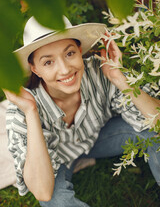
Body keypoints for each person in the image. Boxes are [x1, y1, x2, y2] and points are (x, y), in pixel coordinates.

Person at [4, 16, 160, 207]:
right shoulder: (20, 110)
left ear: (79, 51)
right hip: (55, 158)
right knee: (56, 201)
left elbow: (157, 122)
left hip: (97, 138)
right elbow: (42, 192)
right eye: (48, 62)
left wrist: (120, 79)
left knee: (153, 132)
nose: (64, 70)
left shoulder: (99, 71)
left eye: (69, 54)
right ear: (35, 69)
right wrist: (31, 112)